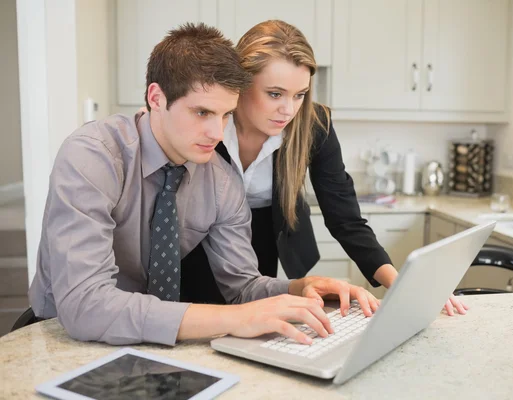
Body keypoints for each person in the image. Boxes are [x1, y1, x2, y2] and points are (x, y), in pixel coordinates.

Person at [28, 22, 380, 347]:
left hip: (147, 347)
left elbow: (243, 287)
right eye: (202, 112)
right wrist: (234, 318)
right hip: (58, 339)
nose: (216, 134)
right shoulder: (94, 157)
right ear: (156, 98)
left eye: (225, 115)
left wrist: (297, 287)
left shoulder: (220, 180)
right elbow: (84, 305)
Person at [180, 20, 467, 316]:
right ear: (240, 82)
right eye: (275, 94)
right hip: (196, 238)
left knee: (249, 314)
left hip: (265, 238)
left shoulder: (314, 126)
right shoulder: (208, 124)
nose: (289, 110)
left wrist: (401, 284)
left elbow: (346, 219)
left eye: (300, 94)